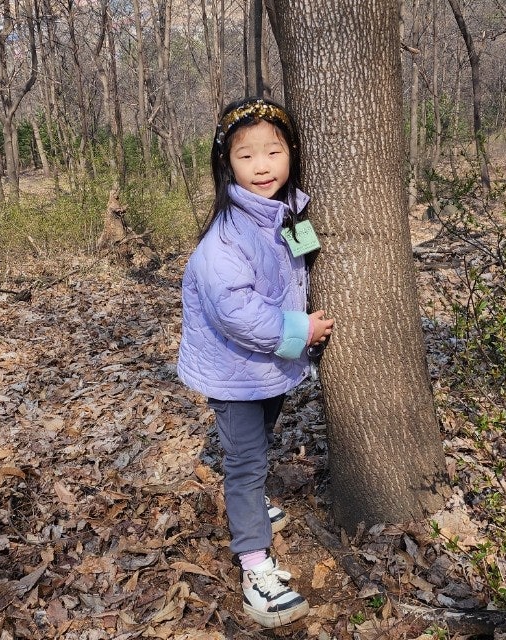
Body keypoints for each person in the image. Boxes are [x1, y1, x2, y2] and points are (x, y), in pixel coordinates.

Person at [176, 97, 334, 628]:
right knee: (244, 465)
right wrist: (301, 330)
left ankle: (250, 501)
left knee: (258, 446)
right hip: (234, 369)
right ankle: (254, 569)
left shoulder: (285, 213)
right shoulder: (225, 238)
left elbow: (293, 267)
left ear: (292, 153)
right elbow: (237, 312)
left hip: (267, 367)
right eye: (246, 156)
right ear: (227, 165)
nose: (262, 165)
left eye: (273, 150)